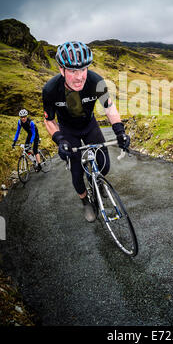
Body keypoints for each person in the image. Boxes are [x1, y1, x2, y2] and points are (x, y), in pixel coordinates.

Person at [42, 41, 130, 223]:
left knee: (104, 165)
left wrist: (119, 131)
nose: (79, 77)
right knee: (76, 173)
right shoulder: (50, 89)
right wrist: (59, 139)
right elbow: (49, 120)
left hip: (89, 125)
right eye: (73, 71)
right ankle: (85, 202)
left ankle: (97, 183)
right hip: (68, 130)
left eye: (83, 69)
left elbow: (109, 108)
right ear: (61, 70)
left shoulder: (96, 81)